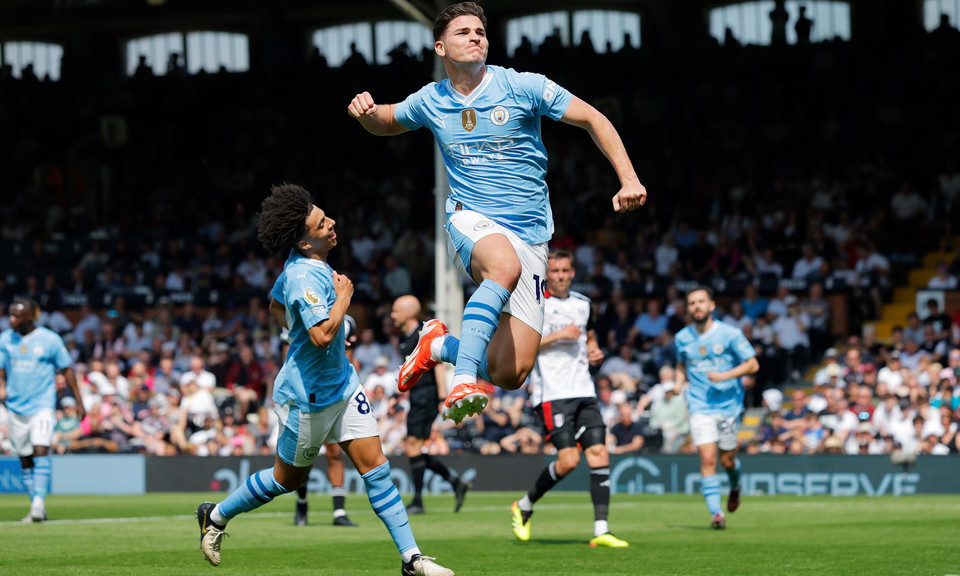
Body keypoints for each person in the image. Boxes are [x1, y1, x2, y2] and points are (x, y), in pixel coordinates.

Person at [348, 1, 646, 423]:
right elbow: (387, 120)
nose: (475, 37)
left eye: (480, 32)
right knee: (503, 266)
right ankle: (462, 380)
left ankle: (438, 345)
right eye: (463, 32)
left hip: (531, 233)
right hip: (470, 217)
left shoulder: (523, 86)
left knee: (512, 371)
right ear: (440, 47)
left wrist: (629, 179)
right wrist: (366, 114)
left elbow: (593, 118)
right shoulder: (431, 99)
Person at [195, 184, 452, 576]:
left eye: (325, 216)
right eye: (321, 223)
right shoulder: (305, 276)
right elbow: (320, 336)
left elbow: (276, 305)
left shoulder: (301, 266)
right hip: (307, 397)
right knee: (286, 480)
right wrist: (343, 300)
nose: (331, 223)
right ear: (304, 243)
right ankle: (215, 515)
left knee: (377, 469)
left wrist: (302, 328)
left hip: (343, 386)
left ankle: (411, 558)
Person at [510, 250, 628, 548]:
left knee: (599, 454)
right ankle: (524, 505)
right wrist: (558, 335)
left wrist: (594, 350)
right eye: (555, 271)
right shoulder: (536, 305)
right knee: (568, 461)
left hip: (584, 390)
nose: (561, 276)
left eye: (565, 270)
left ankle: (601, 530)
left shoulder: (583, 304)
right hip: (552, 394)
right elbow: (523, 347)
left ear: (573, 273)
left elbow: (589, 336)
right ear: (547, 274)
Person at [675, 286, 759, 530]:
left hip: (728, 406)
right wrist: (678, 383)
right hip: (699, 404)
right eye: (692, 303)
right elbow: (681, 364)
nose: (697, 306)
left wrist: (725, 375)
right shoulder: (682, 337)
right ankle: (716, 514)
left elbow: (753, 365)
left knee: (728, 460)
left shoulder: (730, 334)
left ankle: (734, 485)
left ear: (711, 305)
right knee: (708, 457)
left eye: (701, 301)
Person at [0, 297, 85, 522]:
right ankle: (35, 505)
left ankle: (38, 503)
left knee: (41, 449)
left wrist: (79, 402)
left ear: (30, 317)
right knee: (25, 458)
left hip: (42, 405)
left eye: (16, 315)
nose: (11, 319)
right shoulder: (5, 339)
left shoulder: (50, 340)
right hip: (16, 407)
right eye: (10, 315)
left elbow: (67, 370)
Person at [391, 294, 471, 514]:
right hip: (417, 395)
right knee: (413, 447)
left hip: (427, 394)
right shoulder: (404, 337)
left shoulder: (422, 333)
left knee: (413, 445)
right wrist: (395, 396)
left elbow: (437, 364)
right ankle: (455, 482)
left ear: (409, 312)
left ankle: (418, 501)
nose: (392, 315)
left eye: (396, 311)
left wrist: (441, 397)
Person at [293, 315, 358, 527]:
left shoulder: (348, 322)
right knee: (306, 456)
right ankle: (302, 502)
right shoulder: (308, 314)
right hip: (310, 392)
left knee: (335, 453)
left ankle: (339, 511)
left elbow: (349, 357)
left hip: (336, 393)